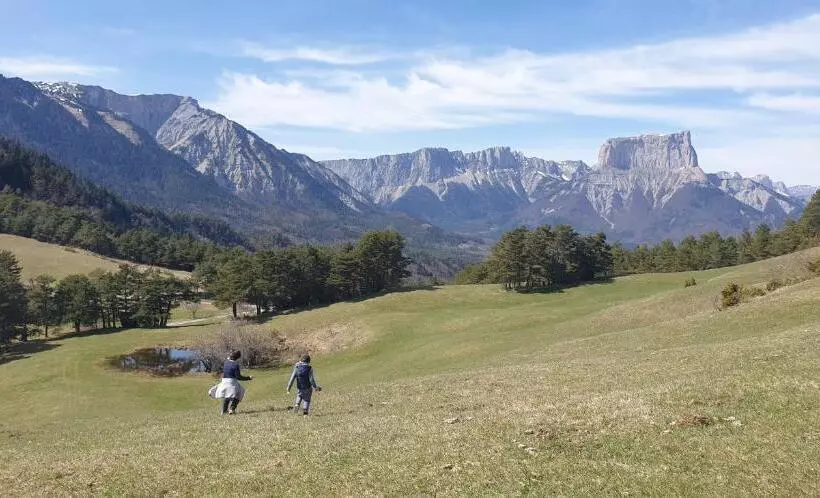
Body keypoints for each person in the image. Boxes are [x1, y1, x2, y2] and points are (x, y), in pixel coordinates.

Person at [208, 350, 252, 415]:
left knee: (227, 396)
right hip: (231, 383)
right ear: (238, 357)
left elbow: (229, 359)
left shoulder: (226, 362)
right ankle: (232, 409)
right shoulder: (236, 365)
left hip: (224, 382)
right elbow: (238, 377)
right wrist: (248, 378)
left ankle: (224, 411)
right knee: (240, 392)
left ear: (230, 356)